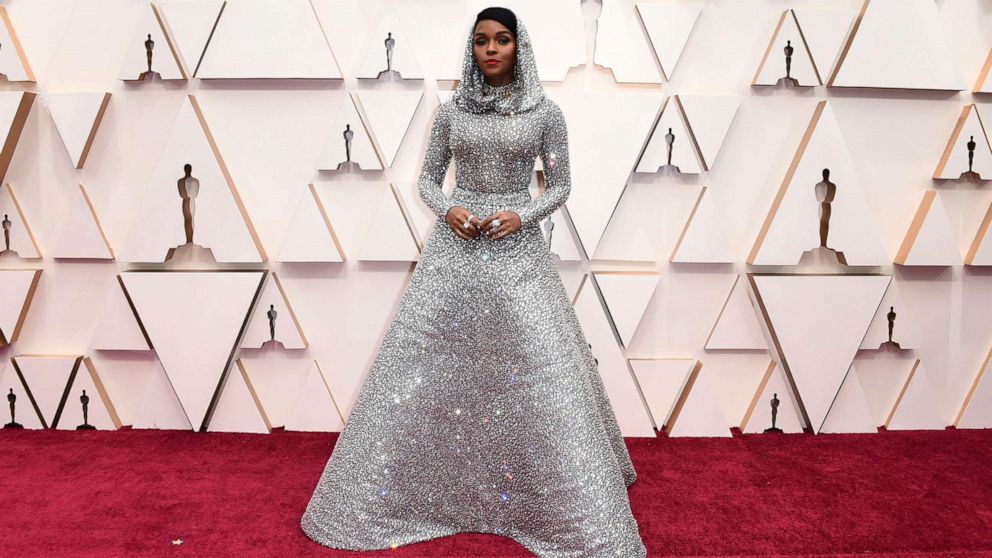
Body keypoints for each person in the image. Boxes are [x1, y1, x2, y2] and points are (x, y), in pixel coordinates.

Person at [300, 7, 647, 557]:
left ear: (518, 46)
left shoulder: (545, 113)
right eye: (482, 40)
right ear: (472, 48)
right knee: (426, 363)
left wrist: (523, 215)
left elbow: (560, 186)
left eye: (502, 40)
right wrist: (450, 211)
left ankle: (566, 491)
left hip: (516, 246)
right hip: (456, 250)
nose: (491, 49)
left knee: (540, 363)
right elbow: (428, 182)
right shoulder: (451, 112)